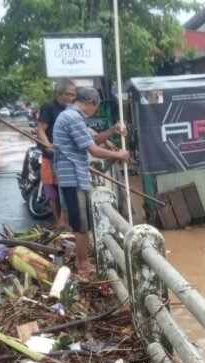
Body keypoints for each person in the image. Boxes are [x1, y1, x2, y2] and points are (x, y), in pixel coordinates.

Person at [53, 86, 129, 274]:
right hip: (74, 177)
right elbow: (93, 150)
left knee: (82, 223)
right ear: (89, 103)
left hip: (74, 175)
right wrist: (119, 154)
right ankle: (83, 265)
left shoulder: (74, 117)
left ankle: (82, 261)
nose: (94, 112)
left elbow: (94, 141)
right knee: (81, 225)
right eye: (95, 108)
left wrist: (112, 130)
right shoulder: (73, 118)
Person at [36, 78, 75, 228]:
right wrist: (47, 144)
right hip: (50, 155)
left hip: (65, 157)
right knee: (51, 192)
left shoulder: (71, 110)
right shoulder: (49, 107)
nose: (71, 98)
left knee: (65, 191)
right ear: (59, 94)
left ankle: (66, 221)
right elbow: (41, 128)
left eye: (73, 95)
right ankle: (59, 221)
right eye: (68, 94)